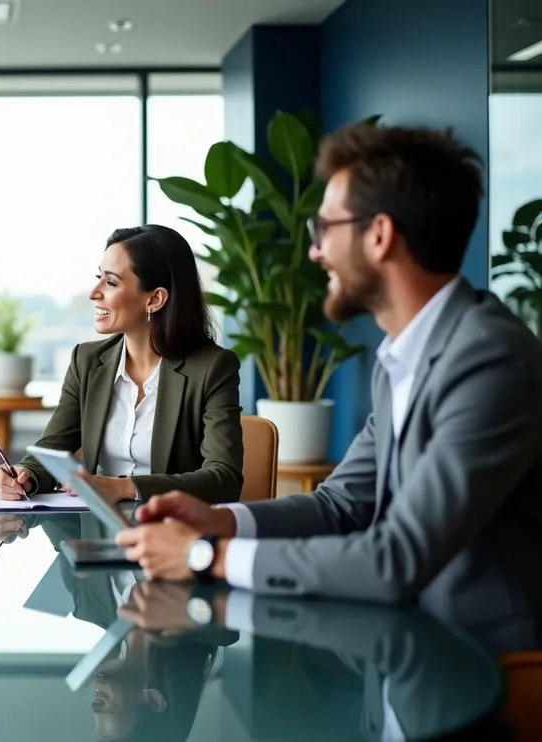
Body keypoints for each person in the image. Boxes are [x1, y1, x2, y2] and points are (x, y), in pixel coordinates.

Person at [114, 123, 542, 628]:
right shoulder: (403, 357)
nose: (316, 251)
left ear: (379, 235)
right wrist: (220, 519)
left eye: (325, 230)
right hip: (402, 649)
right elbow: (340, 505)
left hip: (480, 674)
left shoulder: (490, 360)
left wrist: (207, 556)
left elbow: (395, 558)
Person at [0, 225, 243, 505]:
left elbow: (224, 479)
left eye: (111, 282)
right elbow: (51, 449)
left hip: (174, 533)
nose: (94, 293)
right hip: (98, 531)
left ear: (155, 299)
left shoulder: (212, 368)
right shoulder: (86, 361)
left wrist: (122, 487)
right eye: (99, 278)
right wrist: (25, 474)